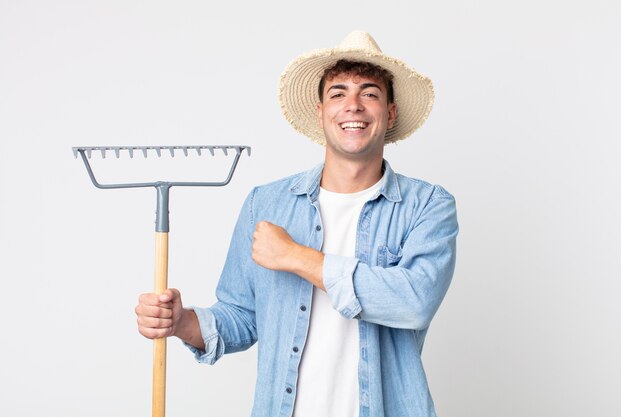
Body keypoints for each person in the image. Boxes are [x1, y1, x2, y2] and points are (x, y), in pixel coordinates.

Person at [136, 31, 458, 417]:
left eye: (369, 93)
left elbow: (414, 302)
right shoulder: (266, 205)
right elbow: (240, 318)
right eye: (338, 93)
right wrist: (181, 322)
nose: (352, 105)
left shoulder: (426, 206)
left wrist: (296, 257)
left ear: (389, 113)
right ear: (321, 111)